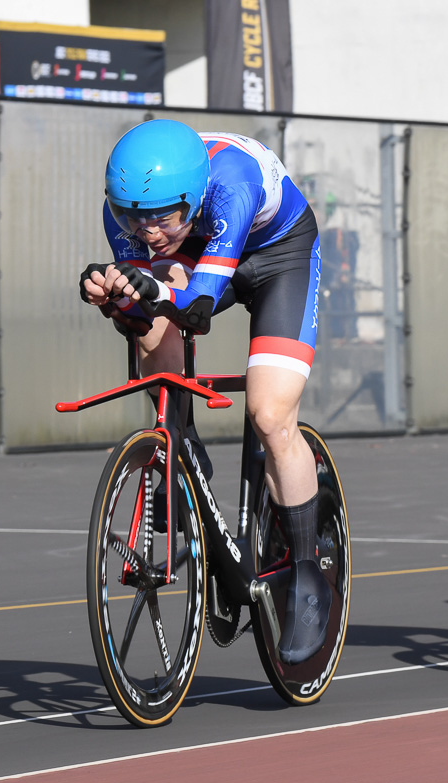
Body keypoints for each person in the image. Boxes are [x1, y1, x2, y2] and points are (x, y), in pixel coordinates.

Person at [79, 119, 332, 664]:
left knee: (269, 415)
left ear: (192, 199)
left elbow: (197, 307)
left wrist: (147, 288)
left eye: (159, 217)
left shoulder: (231, 184)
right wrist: (115, 295)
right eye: (131, 217)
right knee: (152, 308)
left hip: (277, 254)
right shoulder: (127, 214)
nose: (145, 230)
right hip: (200, 253)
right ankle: (179, 441)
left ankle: (308, 570)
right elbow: (150, 299)